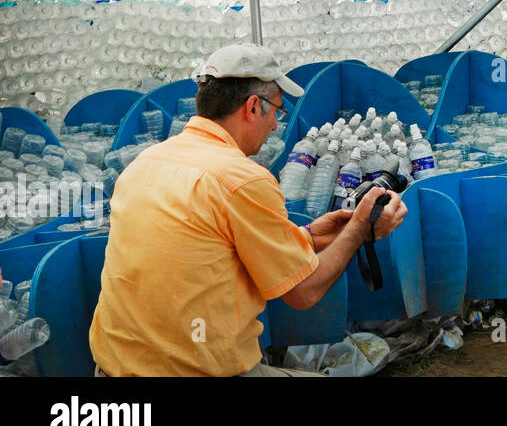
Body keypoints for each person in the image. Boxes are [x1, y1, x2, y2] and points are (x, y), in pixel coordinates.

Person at [89, 42, 407, 376]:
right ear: (254, 107)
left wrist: (308, 236)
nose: (275, 126)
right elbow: (304, 291)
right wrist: (359, 230)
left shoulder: (146, 162)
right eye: (277, 112)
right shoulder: (242, 179)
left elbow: (206, 248)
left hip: (112, 368)